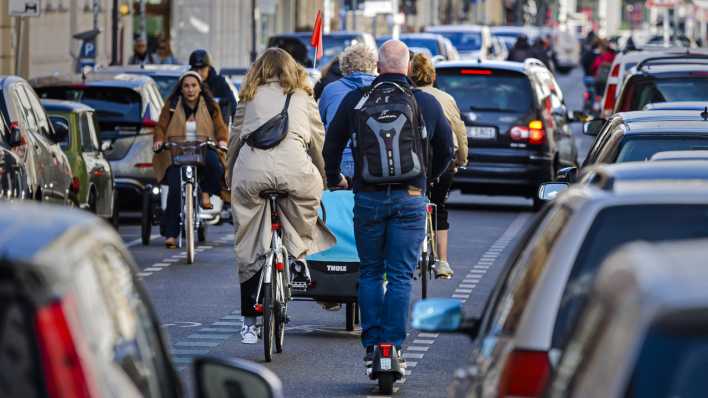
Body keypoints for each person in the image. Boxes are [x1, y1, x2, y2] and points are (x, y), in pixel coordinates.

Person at [324, 40, 454, 370]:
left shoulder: (357, 100)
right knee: (399, 276)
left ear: (379, 68)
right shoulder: (426, 102)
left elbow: (332, 144)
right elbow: (447, 151)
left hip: (367, 196)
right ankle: (392, 348)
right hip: (410, 198)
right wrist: (427, 179)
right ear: (408, 68)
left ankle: (371, 347)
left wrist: (335, 178)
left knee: (369, 272)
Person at [226, 48, 336, 344]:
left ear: (259, 69)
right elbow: (317, 143)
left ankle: (249, 320)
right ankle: (297, 253)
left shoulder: (248, 96)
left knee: (248, 244)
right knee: (305, 202)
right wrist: (322, 178)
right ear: (292, 68)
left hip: (251, 173)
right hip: (295, 172)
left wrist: (229, 178)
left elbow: (234, 141)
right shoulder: (303, 96)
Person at [152, 71, 228, 248]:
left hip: (202, 149)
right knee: (175, 187)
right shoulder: (171, 105)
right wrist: (159, 141)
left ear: (200, 88)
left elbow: (220, 127)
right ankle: (171, 234)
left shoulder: (210, 106)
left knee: (215, 166)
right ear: (181, 89)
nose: (190, 89)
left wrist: (222, 140)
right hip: (177, 152)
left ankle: (205, 192)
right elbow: (161, 127)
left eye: (194, 86)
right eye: (186, 86)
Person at [408, 52, 467, 279]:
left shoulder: (408, 97)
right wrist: (461, 159)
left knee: (410, 205)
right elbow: (459, 133)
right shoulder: (445, 99)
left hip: (414, 167)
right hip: (443, 165)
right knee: (439, 208)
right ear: (432, 76)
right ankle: (442, 262)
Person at [319, 43, 377, 178]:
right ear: (373, 65)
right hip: (373, 160)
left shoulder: (331, 89)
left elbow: (320, 122)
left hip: (340, 161)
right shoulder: (380, 88)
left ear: (344, 65)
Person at [189, 49, 238, 125]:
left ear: (208, 68)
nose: (199, 73)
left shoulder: (219, 83)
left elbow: (232, 105)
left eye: (202, 69)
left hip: (216, 128)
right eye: (195, 69)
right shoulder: (186, 83)